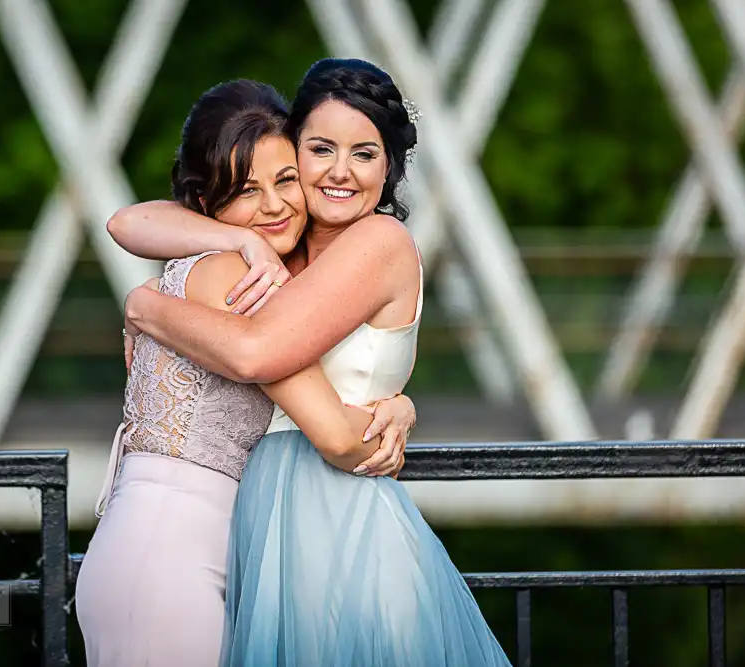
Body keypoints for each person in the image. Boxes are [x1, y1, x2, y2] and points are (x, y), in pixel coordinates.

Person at [115, 59, 513, 666]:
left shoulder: (380, 243)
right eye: (321, 148)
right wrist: (237, 238)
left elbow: (258, 352)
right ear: (294, 151)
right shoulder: (280, 245)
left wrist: (146, 305)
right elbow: (128, 222)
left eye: (365, 154)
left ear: (391, 167)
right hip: (269, 530)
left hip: (340, 524)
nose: (340, 173)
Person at [74, 78, 418, 667]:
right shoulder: (239, 278)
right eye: (246, 190)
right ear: (206, 203)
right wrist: (148, 303)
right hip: (167, 555)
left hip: (187, 548)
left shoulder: (243, 263)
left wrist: (400, 404)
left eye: (286, 180)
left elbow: (133, 224)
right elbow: (327, 427)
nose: (276, 205)